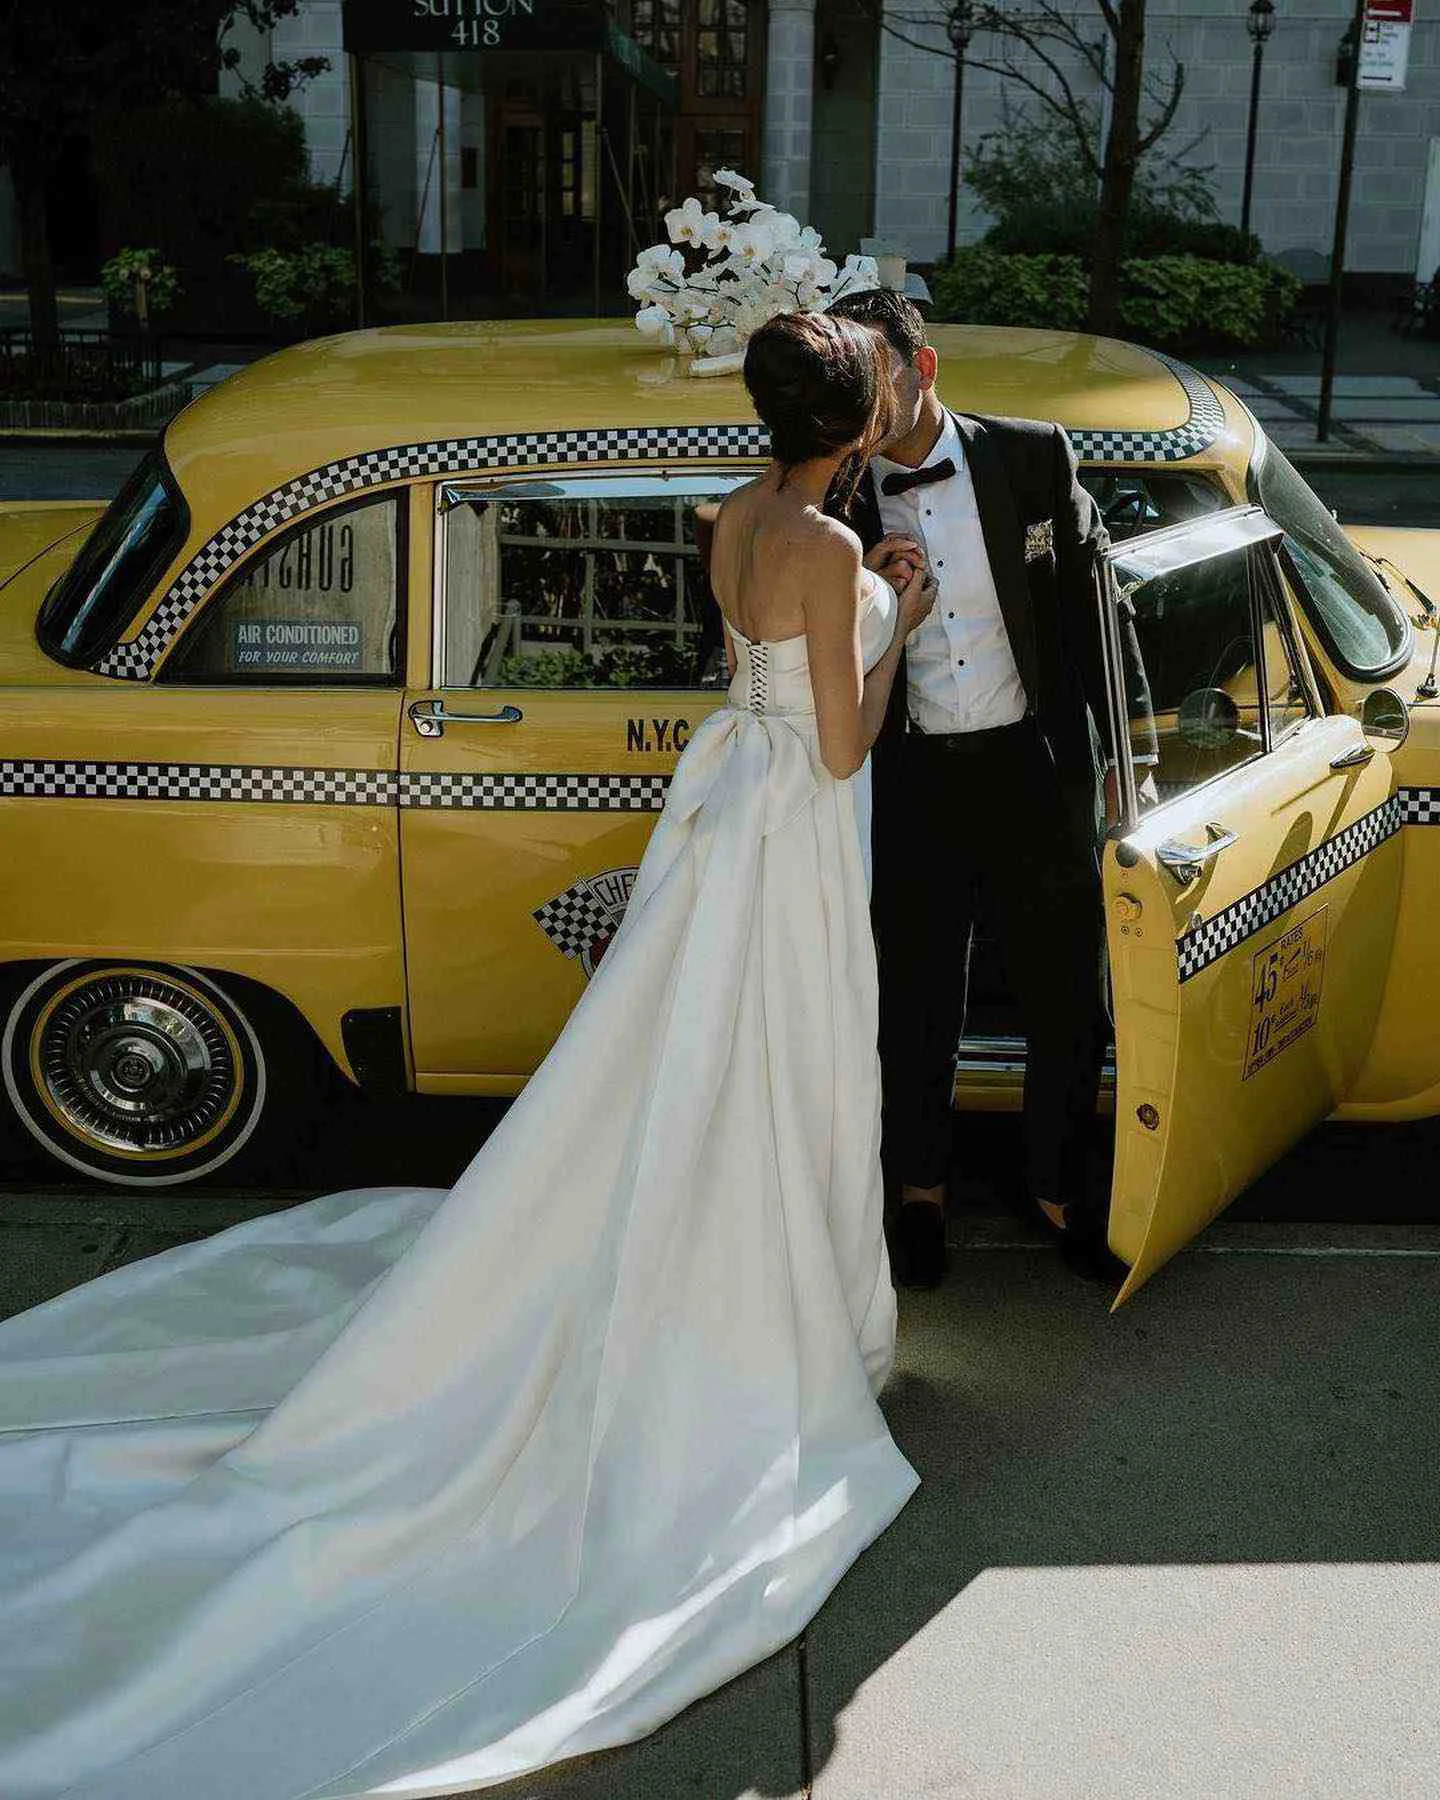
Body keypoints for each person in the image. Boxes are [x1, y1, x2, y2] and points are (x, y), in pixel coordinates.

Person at [0, 311, 931, 1800]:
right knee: (783, 1064)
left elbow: (748, 681)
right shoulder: (831, 553)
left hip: (719, 810)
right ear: (862, 422)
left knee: (690, 1062)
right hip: (793, 830)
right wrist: (911, 622)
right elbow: (835, 747)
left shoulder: (733, 517)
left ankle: (710, 1255)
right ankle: (776, 1303)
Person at [826, 287, 1153, 1290]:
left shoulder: (1034, 458)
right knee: (917, 997)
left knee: (1065, 994)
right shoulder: (834, 502)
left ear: (921, 372)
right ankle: (918, 1199)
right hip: (912, 776)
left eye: (869, 381)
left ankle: (1056, 1188)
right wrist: (875, 603)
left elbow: (1104, 609)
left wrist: (1128, 753)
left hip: (1032, 765)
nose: (857, 410)